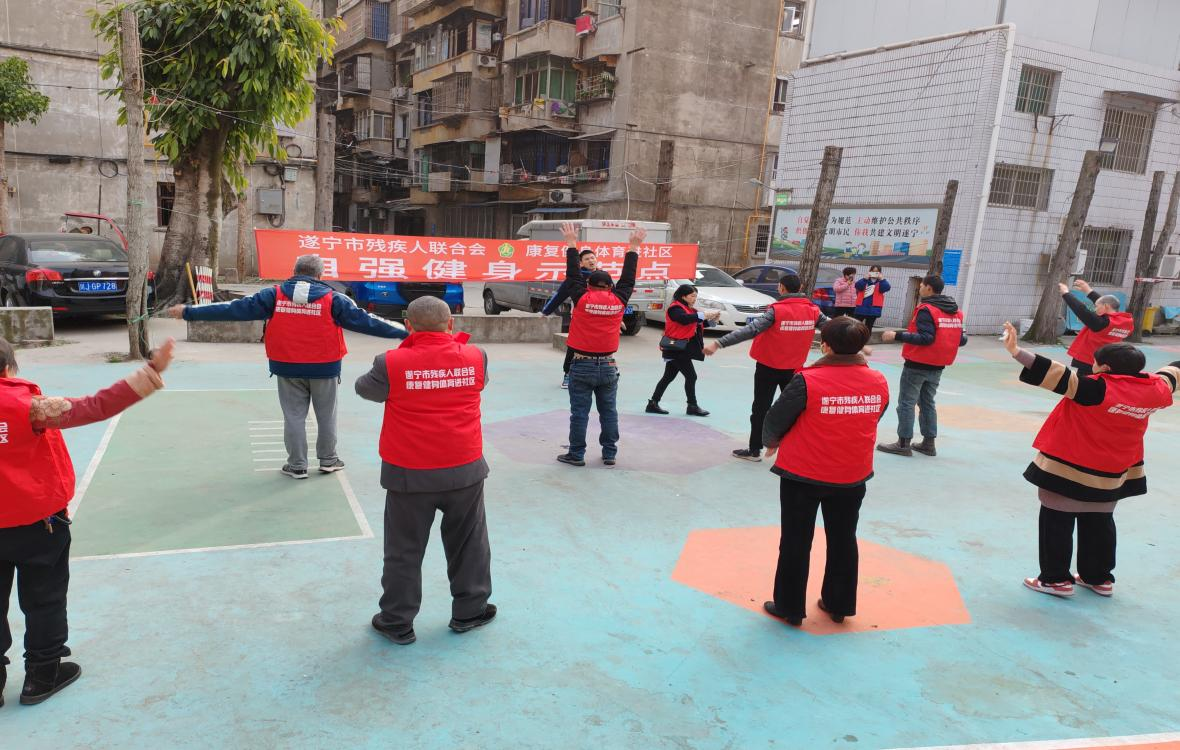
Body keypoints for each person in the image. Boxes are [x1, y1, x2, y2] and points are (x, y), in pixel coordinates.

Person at [1, 336, 175, 705]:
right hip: (38, 523)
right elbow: (94, 407)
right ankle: (41, 676)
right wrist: (150, 373)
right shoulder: (29, 407)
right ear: (9, 368)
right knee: (44, 599)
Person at [167, 254, 406, 478]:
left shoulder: (273, 295)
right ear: (320, 275)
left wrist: (189, 312)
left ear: (294, 271)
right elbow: (368, 322)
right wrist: (404, 332)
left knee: (294, 416)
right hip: (324, 367)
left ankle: (297, 465)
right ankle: (328, 460)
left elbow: (232, 309)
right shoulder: (333, 299)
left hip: (287, 366)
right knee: (326, 416)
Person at [999, 322, 1179, 598]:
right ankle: (1098, 578)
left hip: (1068, 467)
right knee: (1100, 522)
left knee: (1056, 520)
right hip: (1113, 472)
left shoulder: (1095, 388)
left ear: (1104, 368)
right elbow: (1173, 371)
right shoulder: (1156, 389)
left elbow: (1055, 373)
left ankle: (1055, 580)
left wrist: (1015, 351)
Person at [355, 297, 495, 645]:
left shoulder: (390, 363)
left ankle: (397, 621)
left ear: (408, 325)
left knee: (403, 550)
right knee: (470, 544)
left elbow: (364, 389)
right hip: (464, 470)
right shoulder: (476, 356)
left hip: (410, 473)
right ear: (451, 324)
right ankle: (470, 611)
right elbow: (479, 383)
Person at [759, 317, 890, 627]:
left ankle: (790, 607)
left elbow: (776, 419)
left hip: (803, 474)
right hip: (852, 474)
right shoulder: (878, 380)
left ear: (826, 346)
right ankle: (838, 603)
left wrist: (771, 442)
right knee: (844, 538)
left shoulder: (807, 380)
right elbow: (876, 414)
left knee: (795, 539)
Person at [704, 273, 830, 462]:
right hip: (794, 369)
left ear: (781, 288)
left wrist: (718, 343)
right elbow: (834, 328)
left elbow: (751, 330)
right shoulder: (813, 311)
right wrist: (858, 344)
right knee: (795, 410)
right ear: (801, 287)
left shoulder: (777, 311)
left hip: (768, 367)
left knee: (760, 409)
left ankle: (755, 450)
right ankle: (795, 450)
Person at [556, 221, 643, 467]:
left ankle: (576, 454)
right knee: (609, 412)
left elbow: (572, 273)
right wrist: (633, 247)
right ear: (611, 286)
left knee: (579, 413)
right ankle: (609, 453)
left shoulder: (581, 298)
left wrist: (571, 243)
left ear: (588, 285)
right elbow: (628, 278)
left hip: (581, 364)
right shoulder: (619, 299)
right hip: (608, 365)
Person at [877, 274, 966, 457]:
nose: (920, 288)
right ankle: (928, 443)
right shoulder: (955, 311)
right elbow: (962, 339)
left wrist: (897, 335)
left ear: (929, 288)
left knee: (906, 403)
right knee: (927, 403)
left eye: (922, 285)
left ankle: (903, 443)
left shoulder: (927, 310)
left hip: (917, 363)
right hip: (938, 365)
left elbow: (926, 338)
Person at [645, 284, 720, 416]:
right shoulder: (675, 308)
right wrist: (704, 315)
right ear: (683, 296)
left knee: (668, 377)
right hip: (676, 349)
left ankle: (653, 403)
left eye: (696, 296)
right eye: (692, 296)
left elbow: (697, 324)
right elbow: (684, 320)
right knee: (691, 376)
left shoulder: (690, 309)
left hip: (680, 348)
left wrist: (713, 321)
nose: (694, 298)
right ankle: (692, 405)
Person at [541, 247, 599, 390]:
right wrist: (546, 311)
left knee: (600, 345)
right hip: (580, 319)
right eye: (587, 259)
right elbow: (559, 295)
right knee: (574, 346)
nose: (591, 261)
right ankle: (568, 373)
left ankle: (602, 371)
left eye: (592, 258)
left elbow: (614, 297)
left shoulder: (602, 276)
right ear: (581, 263)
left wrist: (619, 317)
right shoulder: (575, 278)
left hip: (600, 319)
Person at [1059, 278, 1133, 377]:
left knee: (1083, 384)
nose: (1095, 309)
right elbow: (1106, 303)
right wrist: (1088, 290)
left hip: (1091, 362)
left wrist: (1066, 294)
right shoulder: (1126, 322)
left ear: (1106, 306)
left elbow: (1081, 310)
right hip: (1107, 361)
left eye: (1097, 306)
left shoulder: (1100, 323)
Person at [853, 265, 891, 332]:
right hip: (861, 307)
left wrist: (882, 279)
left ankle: (866, 338)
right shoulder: (865, 280)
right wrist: (864, 279)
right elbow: (858, 286)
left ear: (880, 273)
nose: (874, 273)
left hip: (874, 309)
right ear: (870, 271)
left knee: (868, 327)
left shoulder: (881, 282)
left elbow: (887, 288)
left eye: (876, 272)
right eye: (873, 271)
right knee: (856, 327)